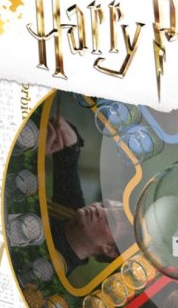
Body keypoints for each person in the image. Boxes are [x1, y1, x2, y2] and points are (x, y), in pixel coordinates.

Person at [46, 115, 129, 276]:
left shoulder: (53, 272)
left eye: (110, 221)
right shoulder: (70, 210)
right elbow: (68, 155)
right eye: (104, 204)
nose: (99, 209)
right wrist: (68, 136)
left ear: (110, 250)